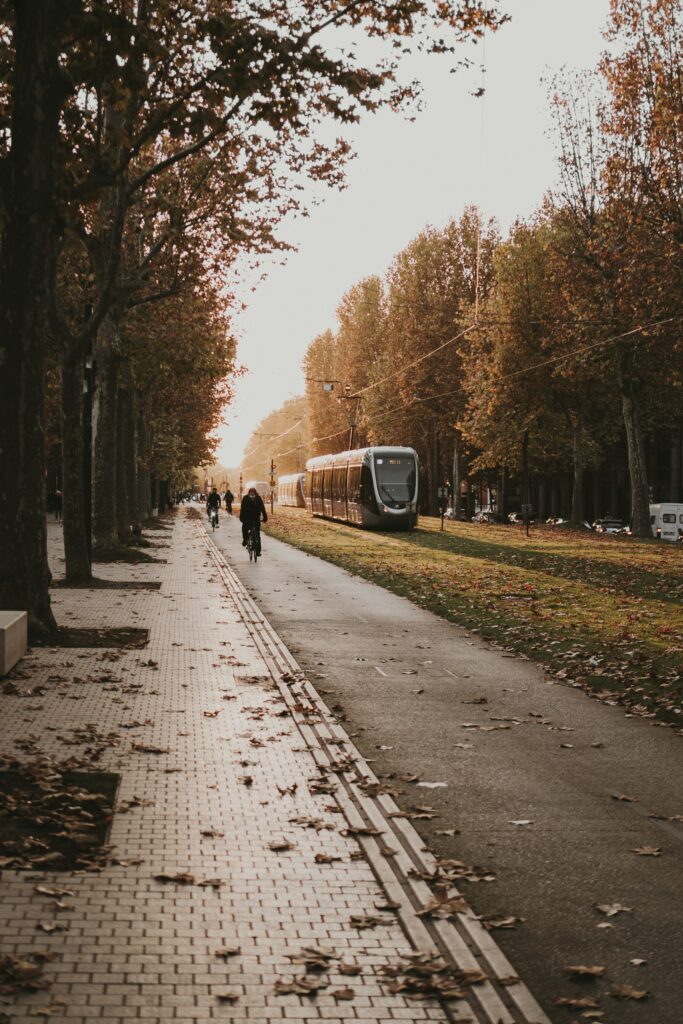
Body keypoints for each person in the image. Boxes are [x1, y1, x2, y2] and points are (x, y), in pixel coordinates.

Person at [240, 486, 268, 553]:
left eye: (253, 492)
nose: (252, 493)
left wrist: (265, 517)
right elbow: (242, 509)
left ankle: (258, 551)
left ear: (255, 492)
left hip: (256, 518)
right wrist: (242, 518)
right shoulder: (245, 498)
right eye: (251, 492)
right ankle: (245, 539)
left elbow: (262, 508)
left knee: (257, 535)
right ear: (249, 492)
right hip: (247, 518)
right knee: (244, 528)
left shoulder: (258, 498)